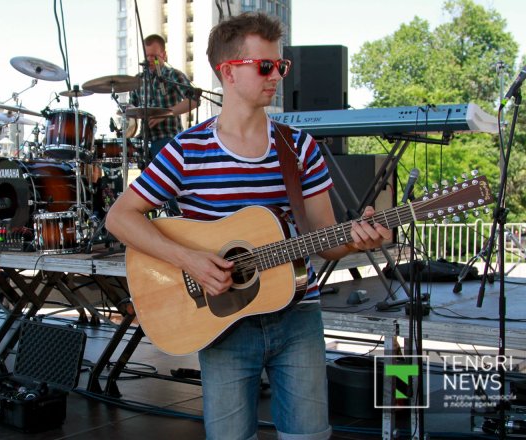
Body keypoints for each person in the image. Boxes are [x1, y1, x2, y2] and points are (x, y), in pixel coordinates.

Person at [106, 12, 392, 440]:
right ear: (228, 72)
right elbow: (119, 217)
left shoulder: (299, 148)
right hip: (221, 321)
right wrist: (191, 260)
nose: (276, 74)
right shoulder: (186, 151)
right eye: (264, 66)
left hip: (299, 315)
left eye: (281, 65)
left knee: (310, 436)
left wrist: (355, 241)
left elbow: (325, 240)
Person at [128, 34, 200, 215]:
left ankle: (177, 217)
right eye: (147, 57)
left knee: (169, 184)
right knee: (147, 186)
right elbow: (132, 108)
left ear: (164, 55)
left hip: (167, 139)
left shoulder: (173, 75)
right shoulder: (137, 80)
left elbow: (194, 100)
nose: (150, 60)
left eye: (154, 56)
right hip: (145, 140)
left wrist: (166, 113)